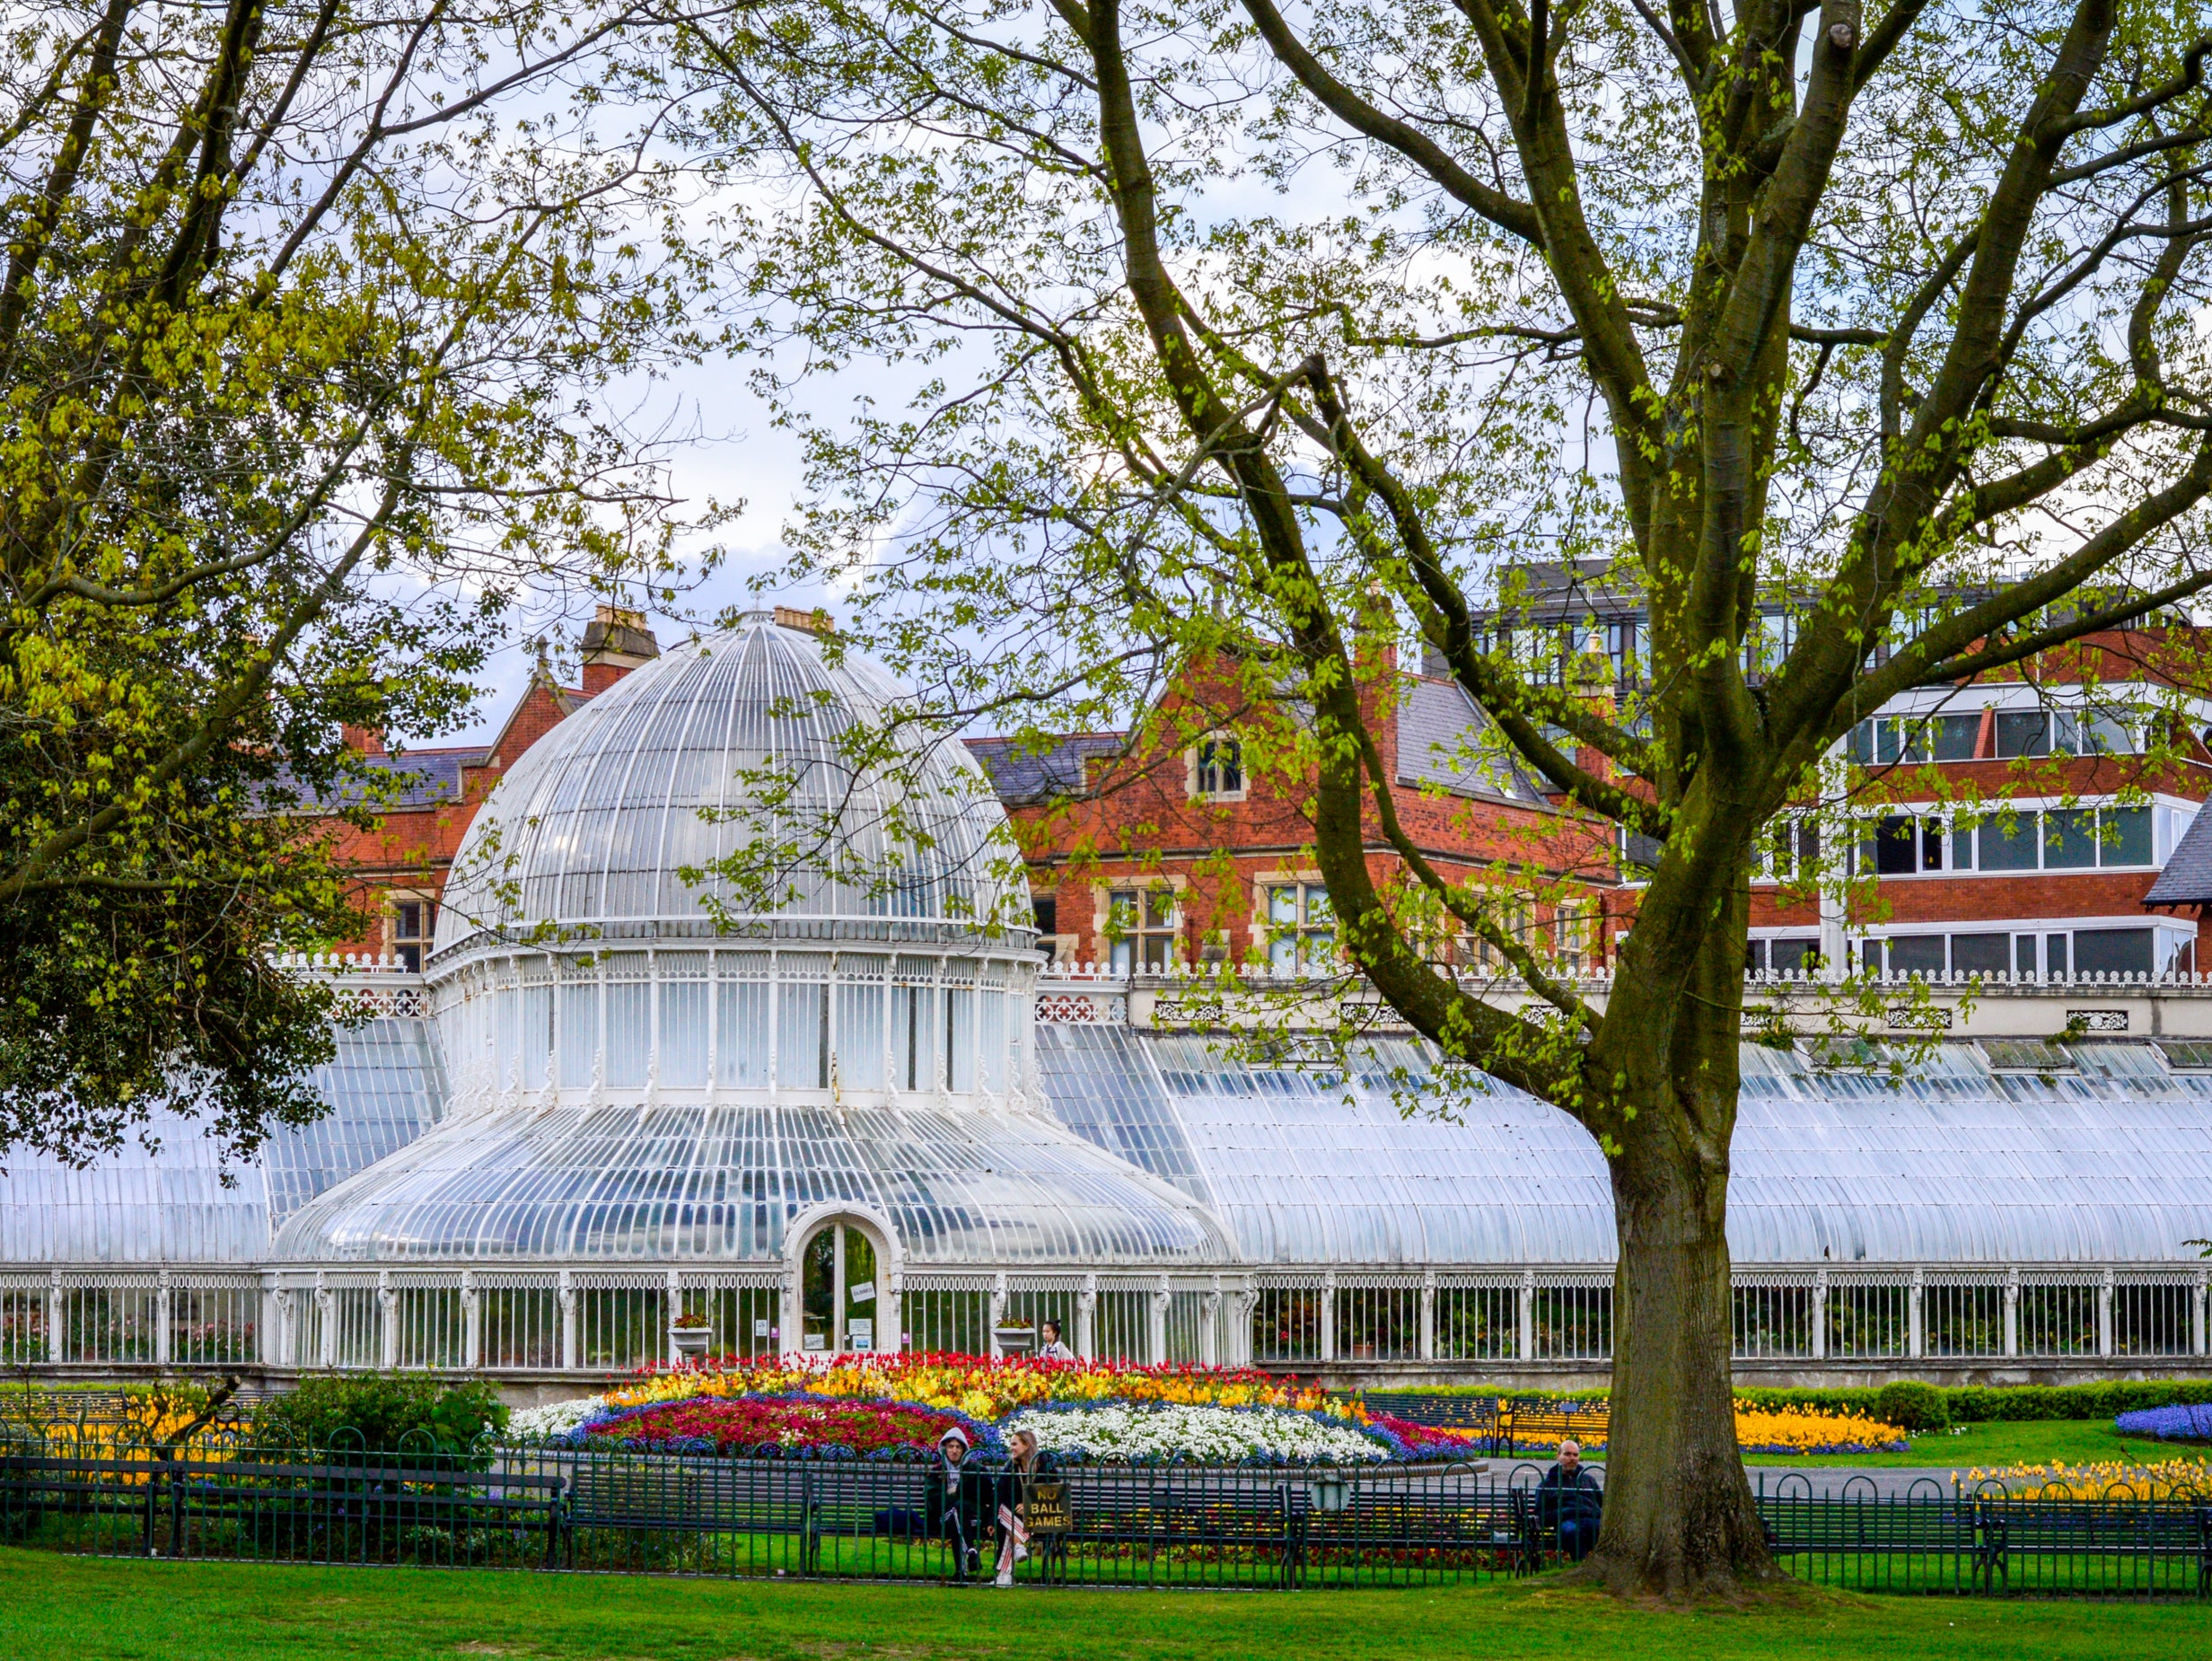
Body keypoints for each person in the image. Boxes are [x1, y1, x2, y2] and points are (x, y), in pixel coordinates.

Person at [924, 1425, 992, 1578]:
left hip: (973, 1518)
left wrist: (957, 1491)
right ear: (944, 1448)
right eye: (950, 1446)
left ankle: (961, 1572)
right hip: (943, 1519)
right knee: (957, 1511)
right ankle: (971, 1552)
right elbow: (934, 1500)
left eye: (958, 1447)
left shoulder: (976, 1469)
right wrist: (964, 1495)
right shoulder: (936, 1472)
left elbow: (985, 1494)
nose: (954, 1450)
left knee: (958, 1516)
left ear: (964, 1449)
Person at [1535, 1439, 1602, 1562]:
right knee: (1573, 1532)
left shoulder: (1588, 1480)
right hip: (1567, 1522)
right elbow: (1542, 1515)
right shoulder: (1547, 1485)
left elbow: (1604, 1504)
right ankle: (1581, 1565)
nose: (1572, 1458)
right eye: (1567, 1454)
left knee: (1605, 1530)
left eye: (1575, 1455)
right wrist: (1566, 1512)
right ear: (1558, 1456)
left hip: (1592, 1519)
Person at [993, 1428, 1040, 1586]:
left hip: (1037, 1515)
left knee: (1007, 1523)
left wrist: (1028, 1504)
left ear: (1026, 1445)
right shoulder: (1011, 1467)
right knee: (1004, 1513)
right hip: (1014, 1515)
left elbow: (1052, 1493)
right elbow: (1000, 1493)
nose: (1011, 1448)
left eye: (1015, 1444)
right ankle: (1018, 1545)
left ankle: (1004, 1574)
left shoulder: (1044, 1466)